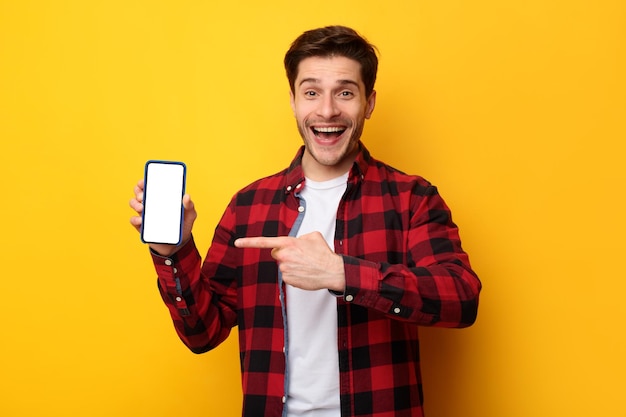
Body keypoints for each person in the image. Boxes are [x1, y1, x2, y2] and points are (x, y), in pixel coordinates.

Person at [129, 25, 481, 417]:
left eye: (345, 92)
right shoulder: (248, 207)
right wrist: (172, 251)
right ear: (294, 101)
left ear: (369, 103)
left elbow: (461, 299)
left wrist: (342, 273)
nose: (327, 110)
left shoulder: (411, 198)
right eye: (311, 92)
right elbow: (202, 333)